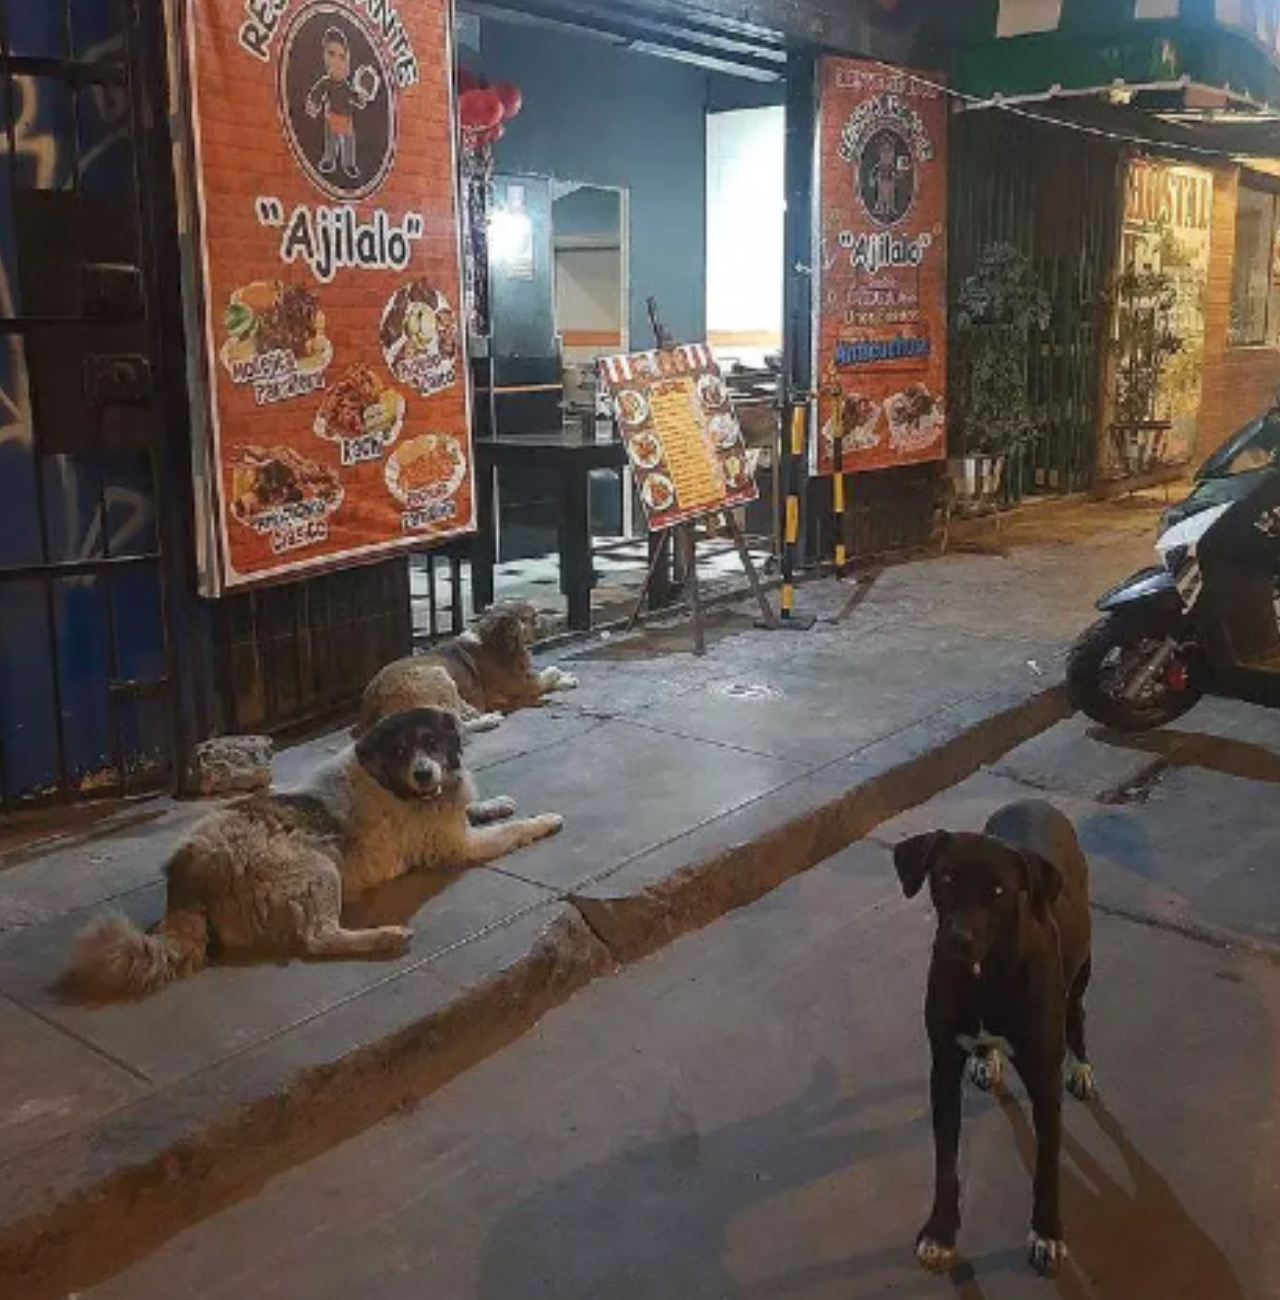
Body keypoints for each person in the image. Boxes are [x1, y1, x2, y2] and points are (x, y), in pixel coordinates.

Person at [305, 26, 373, 180]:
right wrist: (314, 103)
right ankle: (329, 160)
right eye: (331, 54)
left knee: (348, 141)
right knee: (331, 140)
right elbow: (317, 94)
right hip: (332, 117)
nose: (337, 62)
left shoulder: (347, 86)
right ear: (323, 57)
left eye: (342, 57)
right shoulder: (326, 82)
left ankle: (349, 164)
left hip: (346, 119)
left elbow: (355, 98)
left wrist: (361, 99)